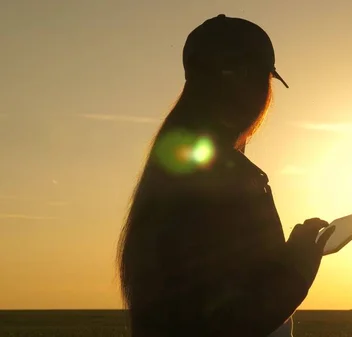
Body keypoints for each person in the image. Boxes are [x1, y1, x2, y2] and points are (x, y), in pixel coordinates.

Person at [116, 14, 335, 337]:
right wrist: (298, 266)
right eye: (266, 83)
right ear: (253, 86)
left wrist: (290, 254)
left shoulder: (171, 170)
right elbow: (235, 318)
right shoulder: (229, 178)